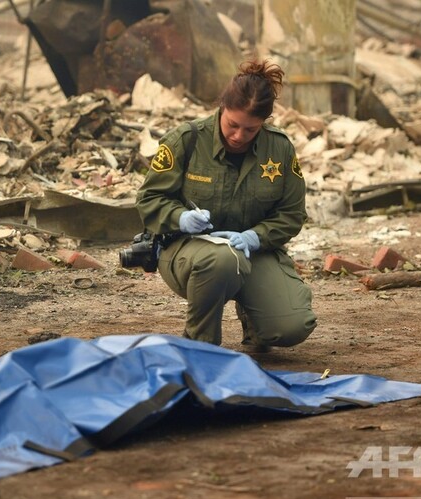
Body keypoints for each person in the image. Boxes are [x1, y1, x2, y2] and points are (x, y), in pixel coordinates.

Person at [136, 59, 317, 350]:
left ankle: (254, 319)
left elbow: (292, 213)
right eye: (233, 125)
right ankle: (201, 346)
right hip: (188, 251)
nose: (238, 136)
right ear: (222, 107)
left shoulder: (279, 149)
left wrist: (255, 237)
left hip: (252, 252)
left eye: (250, 130)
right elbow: (149, 198)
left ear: (263, 123)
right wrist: (181, 218)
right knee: (222, 261)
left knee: (290, 327)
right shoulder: (186, 140)